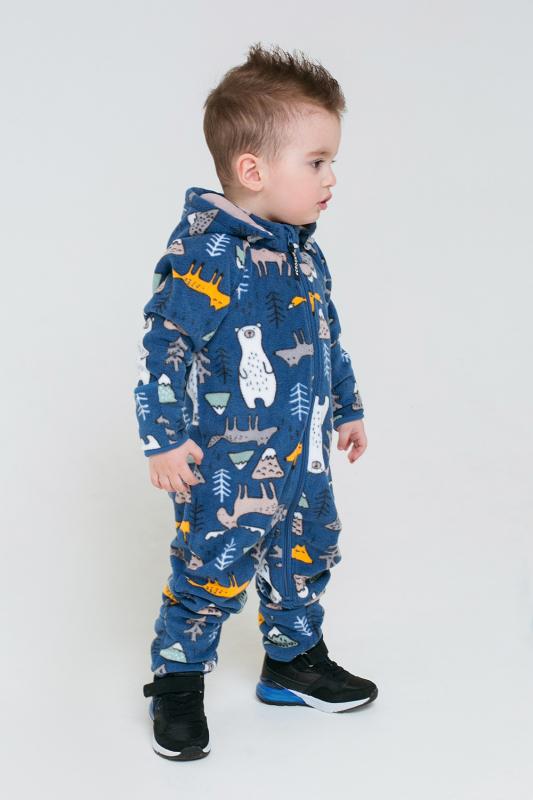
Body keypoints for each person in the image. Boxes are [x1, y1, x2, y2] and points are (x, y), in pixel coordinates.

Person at [133, 42, 378, 762]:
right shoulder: (206, 253)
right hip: (225, 463)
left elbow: (325, 336)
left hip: (303, 455)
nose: (331, 178)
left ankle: (292, 662)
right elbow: (165, 345)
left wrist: (348, 406)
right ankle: (178, 681)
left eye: (331, 161)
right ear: (253, 171)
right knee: (211, 566)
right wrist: (162, 437)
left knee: (308, 551)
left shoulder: (303, 251)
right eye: (317, 161)